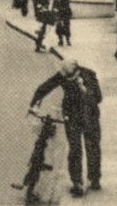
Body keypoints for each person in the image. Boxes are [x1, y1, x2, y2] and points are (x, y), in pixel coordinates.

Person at [29, 58, 103, 197]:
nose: (68, 80)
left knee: (92, 147)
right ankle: (77, 182)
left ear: (77, 70)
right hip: (72, 115)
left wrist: (83, 88)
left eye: (71, 78)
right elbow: (45, 87)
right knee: (75, 148)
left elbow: (98, 98)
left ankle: (94, 179)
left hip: (90, 116)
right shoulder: (63, 75)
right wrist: (34, 104)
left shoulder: (89, 75)